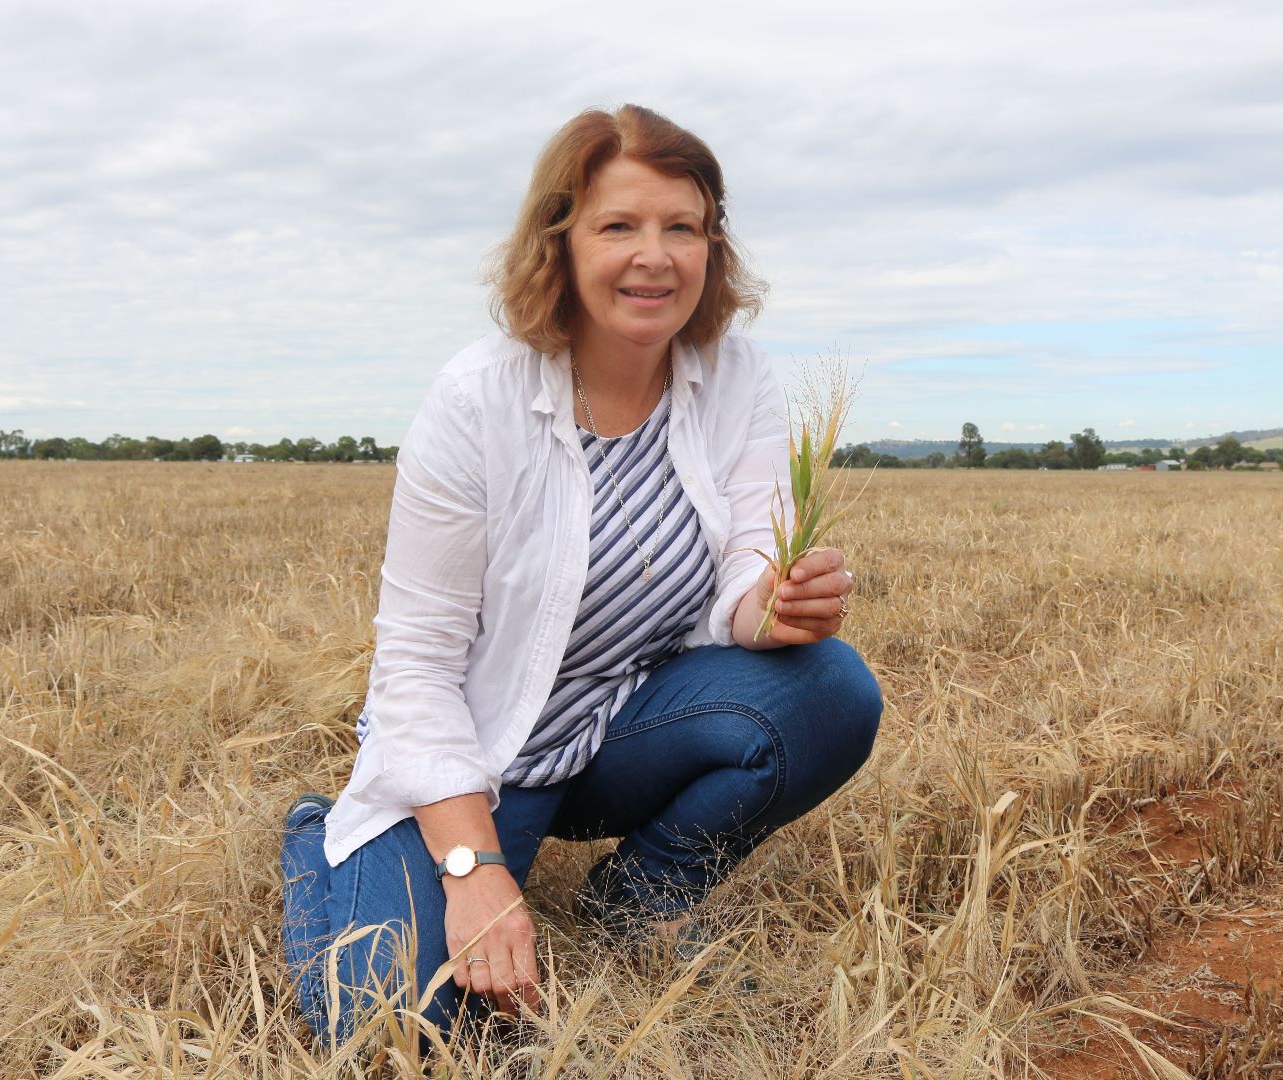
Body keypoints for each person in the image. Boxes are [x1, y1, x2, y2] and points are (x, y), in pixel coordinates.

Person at [279, 104, 882, 1046]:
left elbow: (741, 575)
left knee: (831, 688)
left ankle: (640, 899)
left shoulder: (737, 377)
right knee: (393, 1027)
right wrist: (474, 870)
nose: (656, 256)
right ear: (557, 244)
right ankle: (322, 842)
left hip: (620, 731)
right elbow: (417, 663)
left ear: (713, 247)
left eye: (683, 227)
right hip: (477, 760)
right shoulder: (479, 399)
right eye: (619, 226)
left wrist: (778, 605)